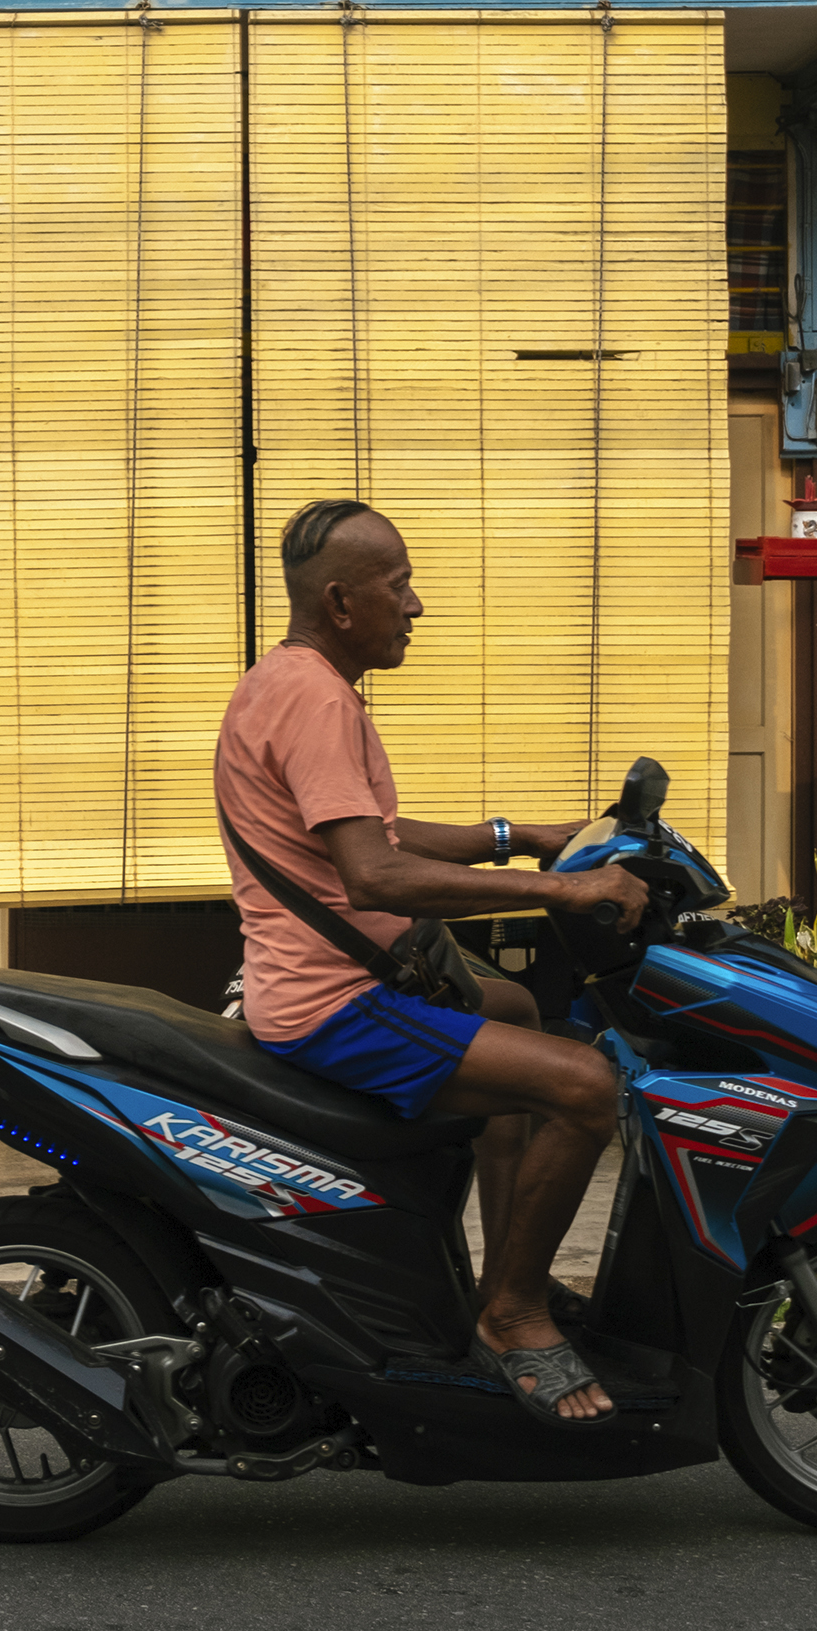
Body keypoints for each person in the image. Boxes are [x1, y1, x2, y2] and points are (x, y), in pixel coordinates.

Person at [213, 496, 648, 1427]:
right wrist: (564, 892)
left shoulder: (285, 680)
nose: (415, 606)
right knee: (585, 1087)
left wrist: (512, 833)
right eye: (398, 586)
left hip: (329, 982)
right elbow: (371, 873)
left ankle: (494, 1275)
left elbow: (361, 830)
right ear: (340, 602)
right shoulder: (319, 698)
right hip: (335, 1003)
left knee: (520, 1014)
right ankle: (513, 1314)